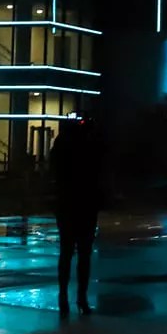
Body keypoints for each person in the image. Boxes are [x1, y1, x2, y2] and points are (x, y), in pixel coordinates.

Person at [50, 115, 106, 316]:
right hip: (85, 205)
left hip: (67, 204)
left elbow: (53, 171)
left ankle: (64, 296)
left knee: (66, 253)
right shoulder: (90, 145)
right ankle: (80, 298)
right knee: (84, 254)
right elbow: (99, 172)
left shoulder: (63, 144)